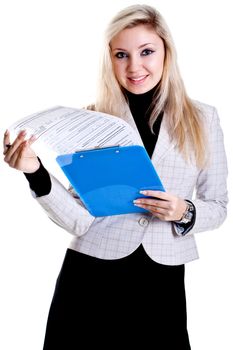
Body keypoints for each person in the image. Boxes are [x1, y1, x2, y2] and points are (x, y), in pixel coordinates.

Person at [3, 4, 228, 350]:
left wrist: (184, 211)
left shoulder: (203, 118)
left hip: (162, 280)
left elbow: (218, 206)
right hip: (89, 276)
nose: (134, 66)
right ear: (109, 60)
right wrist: (35, 172)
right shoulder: (91, 119)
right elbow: (79, 221)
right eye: (121, 54)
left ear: (167, 52)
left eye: (146, 52)